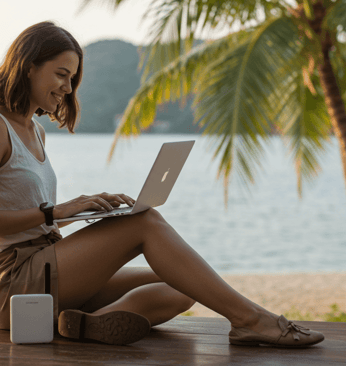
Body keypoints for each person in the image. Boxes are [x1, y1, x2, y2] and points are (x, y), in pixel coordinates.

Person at [0, 21, 325, 348]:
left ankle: (89, 324)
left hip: (47, 265)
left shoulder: (36, 132)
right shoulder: (2, 128)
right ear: (29, 67)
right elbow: (35, 219)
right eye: (61, 74)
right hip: (14, 280)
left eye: (72, 78)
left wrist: (86, 210)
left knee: (185, 282)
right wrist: (58, 211)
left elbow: (34, 217)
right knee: (144, 221)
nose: (68, 88)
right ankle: (251, 320)